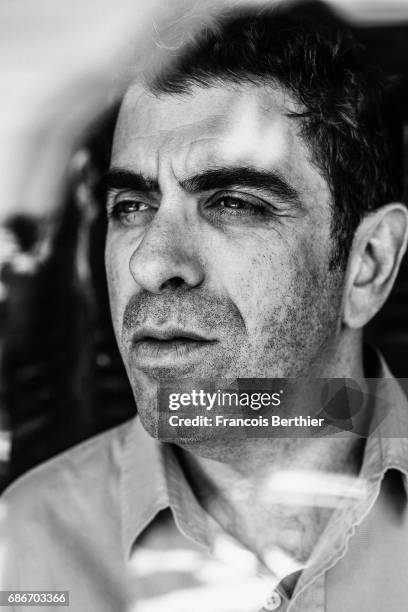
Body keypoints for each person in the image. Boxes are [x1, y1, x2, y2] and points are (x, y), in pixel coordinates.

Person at [2, 2, 408, 611]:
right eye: (132, 206)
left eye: (234, 203)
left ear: (368, 262)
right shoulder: (25, 547)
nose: (150, 263)